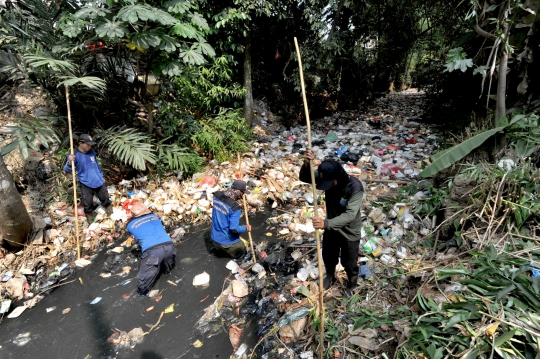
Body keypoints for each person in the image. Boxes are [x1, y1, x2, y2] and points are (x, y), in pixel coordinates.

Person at [299, 148, 364, 294]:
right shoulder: (327, 177)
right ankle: (330, 276)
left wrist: (325, 223)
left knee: (349, 262)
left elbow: (350, 215)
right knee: (328, 256)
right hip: (332, 228)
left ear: (338, 177)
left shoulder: (354, 187)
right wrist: (306, 164)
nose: (327, 186)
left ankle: (352, 284)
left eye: (330, 183)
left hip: (349, 231)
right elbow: (305, 177)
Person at [126, 202, 176, 296]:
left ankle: (142, 297)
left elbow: (139, 235)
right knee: (168, 271)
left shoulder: (129, 225)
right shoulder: (154, 216)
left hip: (153, 251)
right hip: (169, 246)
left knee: (143, 287)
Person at [63, 134, 111, 223]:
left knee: (105, 198)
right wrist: (70, 162)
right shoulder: (74, 154)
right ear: (80, 143)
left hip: (98, 180)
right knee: (87, 203)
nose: (89, 147)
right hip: (85, 182)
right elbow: (66, 169)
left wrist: (101, 176)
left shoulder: (91, 152)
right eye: (87, 145)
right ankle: (91, 222)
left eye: (90, 145)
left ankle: (110, 214)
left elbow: (96, 165)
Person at [210, 180, 252, 259]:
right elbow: (234, 229)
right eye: (243, 192)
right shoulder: (235, 208)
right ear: (238, 192)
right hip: (226, 243)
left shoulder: (216, 195)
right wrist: (245, 227)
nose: (243, 195)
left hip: (214, 239)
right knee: (242, 250)